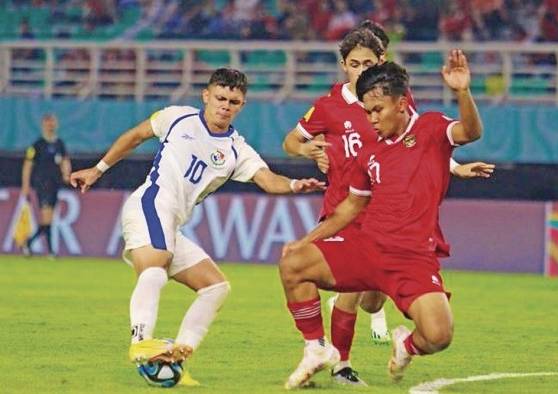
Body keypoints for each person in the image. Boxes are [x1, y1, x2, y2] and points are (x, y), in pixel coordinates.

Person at [69, 68, 325, 386]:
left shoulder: (236, 149)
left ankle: (178, 354)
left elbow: (268, 180)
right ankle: (140, 344)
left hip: (171, 223)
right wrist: (97, 169)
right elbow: (135, 136)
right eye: (220, 97)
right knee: (155, 269)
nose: (225, 105)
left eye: (234, 101)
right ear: (206, 96)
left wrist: (297, 184)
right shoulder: (177, 118)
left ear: (241, 105)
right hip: (149, 205)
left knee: (216, 287)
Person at [282, 26, 493, 386]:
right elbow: (350, 207)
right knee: (293, 262)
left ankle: (407, 345)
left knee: (436, 335)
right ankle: (324, 352)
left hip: (412, 256)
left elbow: (469, 133)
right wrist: (305, 241)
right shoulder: (368, 149)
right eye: (367, 112)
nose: (371, 119)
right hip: (367, 245)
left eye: (377, 110)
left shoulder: (430, 127)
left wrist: (462, 93)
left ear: (400, 102)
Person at [21, 114, 71, 258]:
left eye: (52, 123)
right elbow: (27, 166)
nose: (50, 125)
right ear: (43, 125)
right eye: (48, 123)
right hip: (42, 184)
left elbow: (65, 161)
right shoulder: (37, 144)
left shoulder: (59, 143)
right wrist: (25, 186)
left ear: (56, 124)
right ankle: (49, 251)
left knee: (48, 220)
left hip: (55, 184)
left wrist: (66, 174)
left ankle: (30, 244)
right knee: (47, 217)